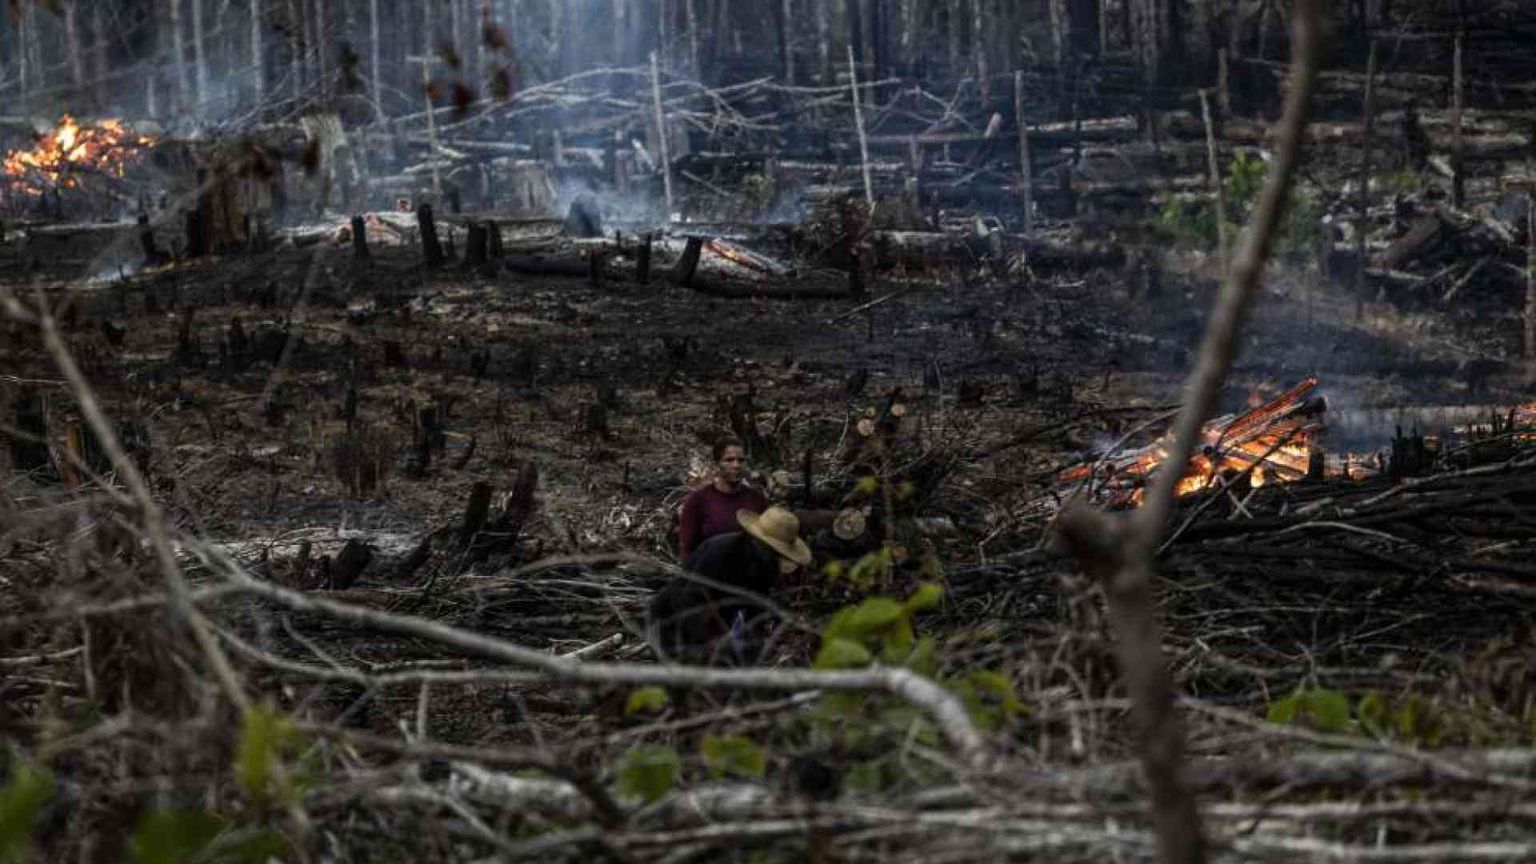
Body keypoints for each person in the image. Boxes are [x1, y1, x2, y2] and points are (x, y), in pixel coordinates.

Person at [648, 506, 813, 661]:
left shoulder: (767, 564)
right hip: (675, 617)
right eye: (774, 550)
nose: (776, 556)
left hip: (720, 619)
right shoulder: (719, 552)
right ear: (757, 541)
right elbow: (691, 600)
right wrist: (709, 644)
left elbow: (754, 607)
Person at [677, 436, 767, 559]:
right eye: (729, 460)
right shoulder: (698, 501)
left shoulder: (756, 499)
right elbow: (687, 551)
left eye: (741, 460)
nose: (736, 465)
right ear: (717, 464)